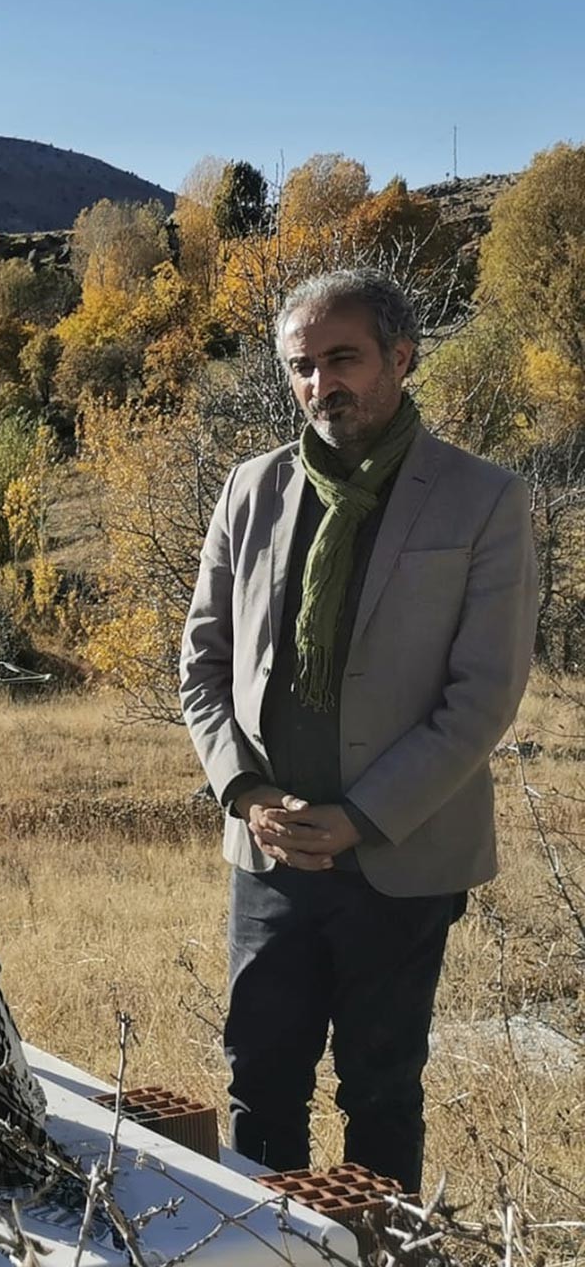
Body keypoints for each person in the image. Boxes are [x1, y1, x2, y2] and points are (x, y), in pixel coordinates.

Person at [180, 268, 537, 1188]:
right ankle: (262, 1253)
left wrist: (363, 816)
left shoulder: (481, 500)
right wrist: (246, 793)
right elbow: (203, 666)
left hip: (399, 856)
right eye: (301, 366)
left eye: (343, 358)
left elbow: (483, 694)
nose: (319, 384)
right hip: (269, 852)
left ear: (402, 357)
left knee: (380, 1093)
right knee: (260, 1082)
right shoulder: (249, 491)